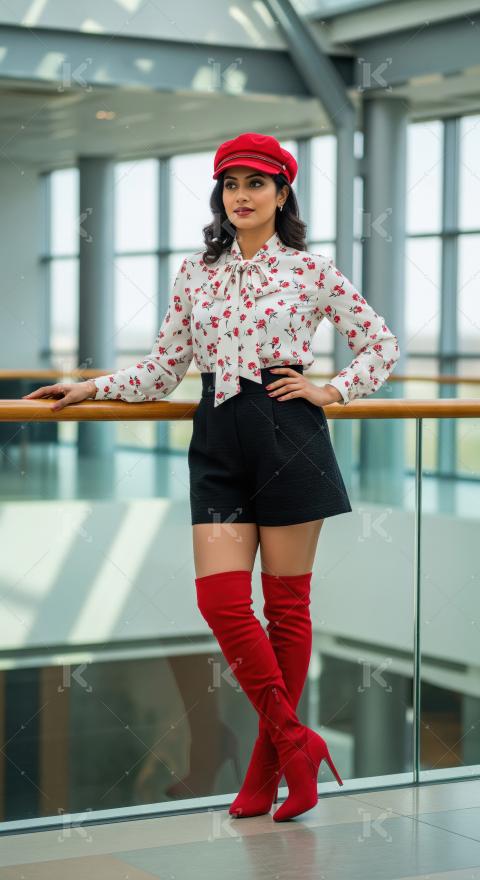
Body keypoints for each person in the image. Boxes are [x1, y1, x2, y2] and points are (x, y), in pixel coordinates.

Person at [23, 131, 400, 821]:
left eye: (257, 184)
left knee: (286, 612)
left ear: (281, 193)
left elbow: (382, 343)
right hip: (218, 441)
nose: (242, 196)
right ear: (220, 196)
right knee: (222, 604)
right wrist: (93, 386)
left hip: (289, 434)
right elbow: (163, 369)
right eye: (231, 184)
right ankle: (294, 740)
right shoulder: (195, 273)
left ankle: (265, 772)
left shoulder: (312, 272)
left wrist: (333, 390)